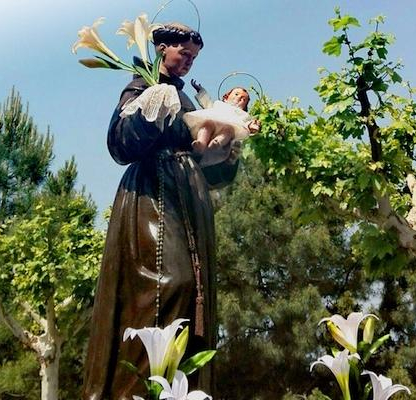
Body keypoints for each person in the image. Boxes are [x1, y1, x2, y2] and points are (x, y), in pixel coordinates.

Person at [82, 22, 240, 400]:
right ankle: (140, 390)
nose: (187, 61)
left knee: (191, 297)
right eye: (182, 53)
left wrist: (226, 151)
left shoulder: (188, 100)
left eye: (193, 57)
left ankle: (180, 389)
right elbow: (120, 145)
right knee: (167, 285)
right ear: (161, 49)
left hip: (190, 201)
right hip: (154, 199)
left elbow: (207, 164)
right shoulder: (143, 89)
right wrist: (151, 109)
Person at [187, 83, 261, 152]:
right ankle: (201, 142)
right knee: (207, 125)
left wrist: (251, 126)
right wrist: (201, 91)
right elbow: (207, 103)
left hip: (229, 127)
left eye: (244, 99)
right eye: (236, 94)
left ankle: (217, 143)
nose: (239, 98)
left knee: (228, 131)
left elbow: (246, 124)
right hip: (213, 123)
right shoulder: (218, 104)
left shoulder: (243, 114)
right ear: (226, 97)